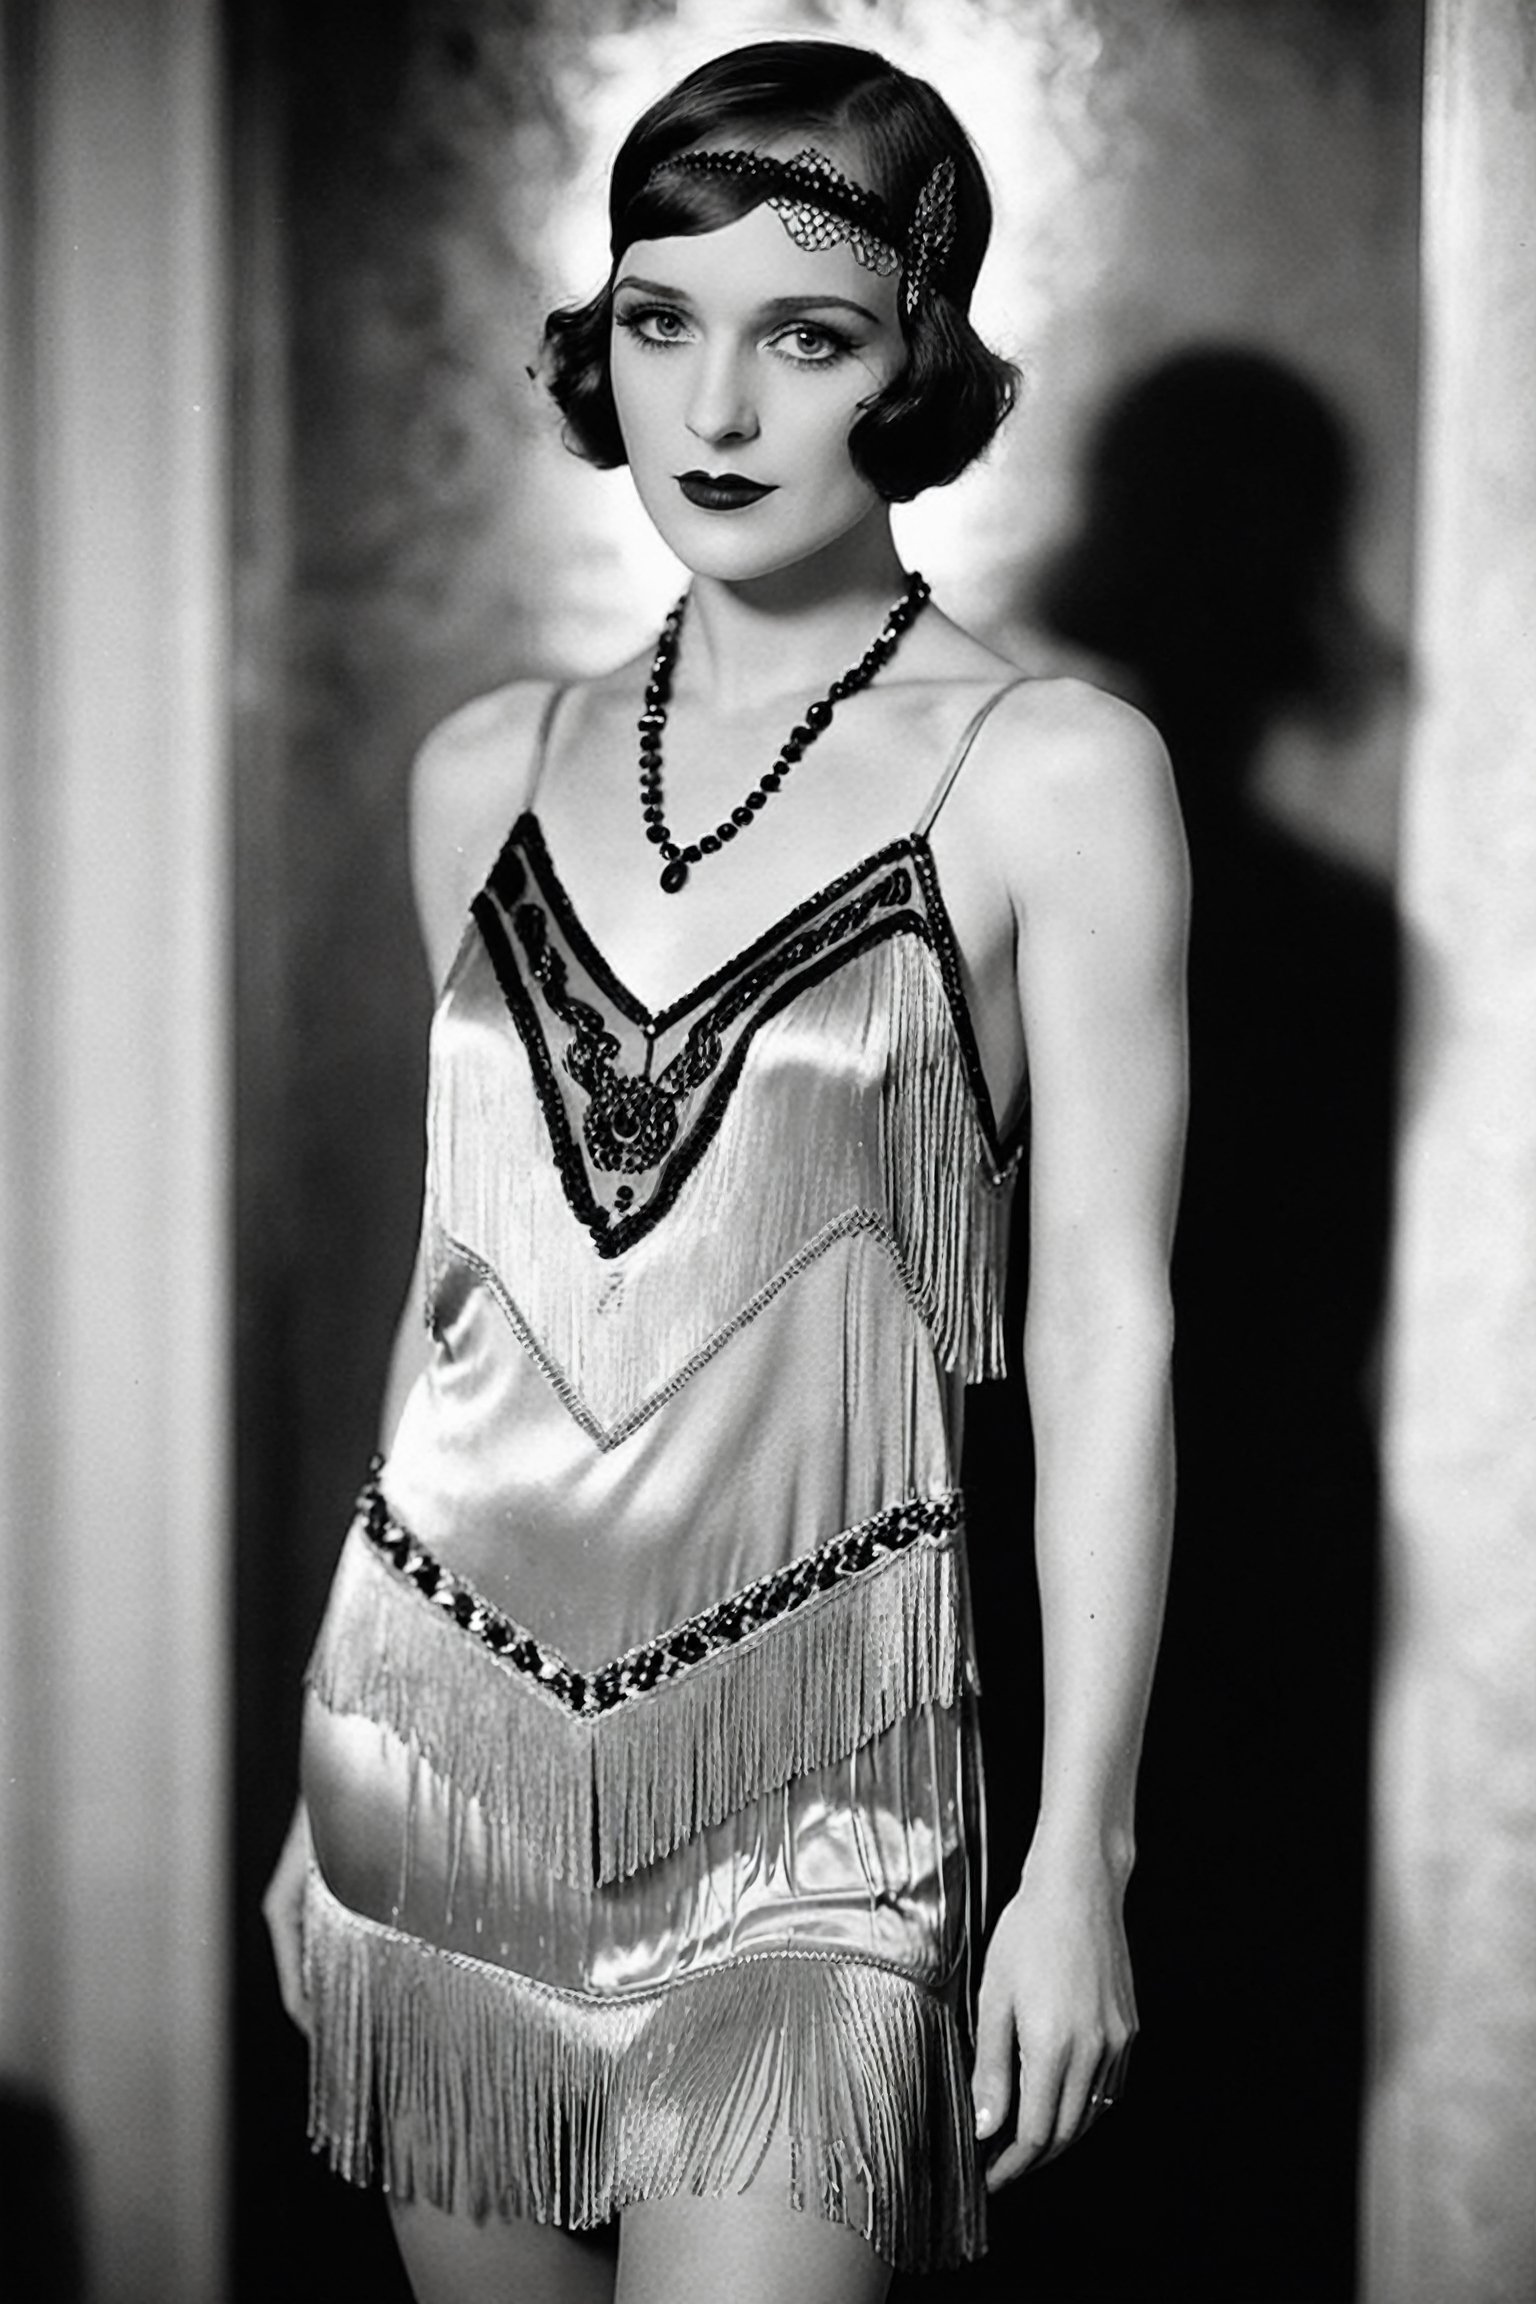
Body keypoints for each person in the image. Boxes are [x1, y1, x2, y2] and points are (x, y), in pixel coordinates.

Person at [263, 38, 1188, 2304]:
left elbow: (1108, 1332)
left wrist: (1081, 1855)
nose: (720, 404)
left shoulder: (1051, 772)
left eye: (809, 333)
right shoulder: (483, 770)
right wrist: (323, 1768)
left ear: (917, 369)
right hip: (435, 1744)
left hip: (821, 1799)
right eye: (664, 319)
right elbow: (454, 1292)